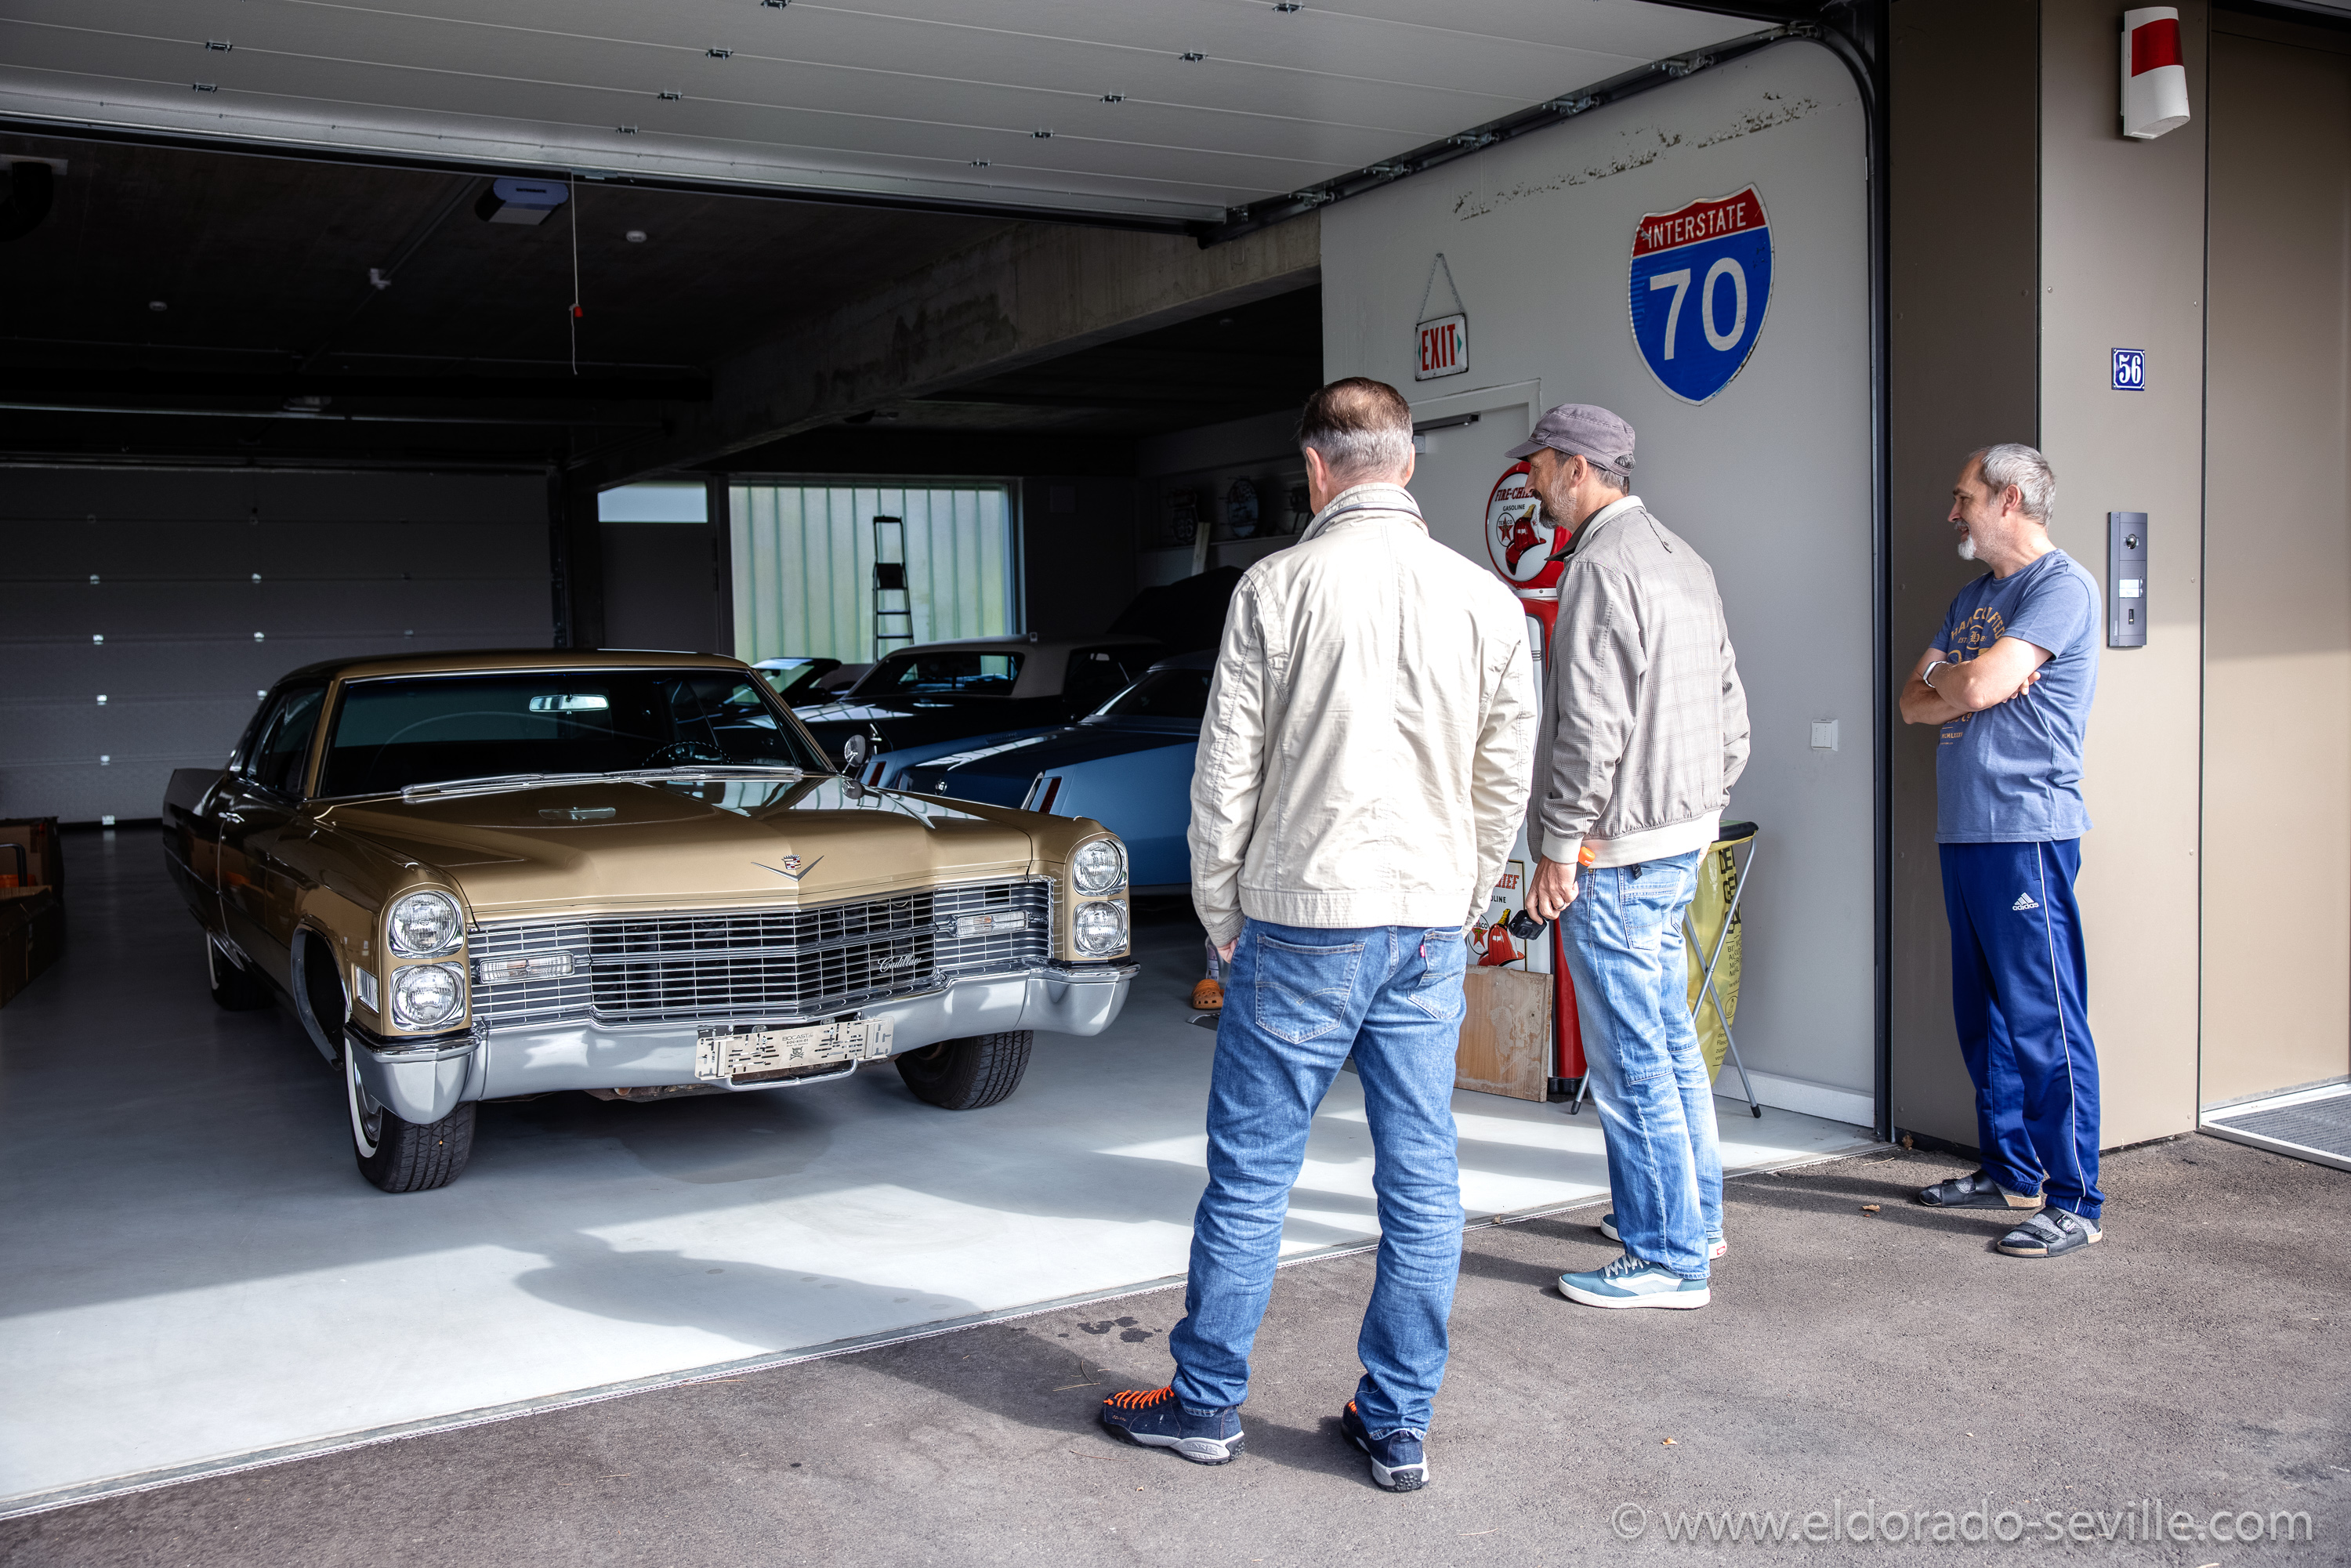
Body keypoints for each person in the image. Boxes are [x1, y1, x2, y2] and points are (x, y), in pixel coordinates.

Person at [1097, 378, 1538, 1492]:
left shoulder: (1276, 587)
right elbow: (1504, 776)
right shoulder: (1485, 599)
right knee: (1422, 1176)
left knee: (1253, 1175)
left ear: (1313, 469)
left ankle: (1205, 1405)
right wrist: (1465, 896)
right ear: (1408, 462)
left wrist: (1220, 916)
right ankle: (1397, 1424)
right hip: (1427, 924)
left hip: (1302, 919)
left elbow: (1225, 774)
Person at [1519, 404, 1748, 1311]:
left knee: (1628, 1059)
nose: (1530, 480)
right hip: (1678, 840)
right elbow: (1732, 713)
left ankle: (1666, 1258)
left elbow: (1589, 728)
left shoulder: (1599, 568)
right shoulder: (1682, 559)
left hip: (1615, 854)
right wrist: (1700, 807)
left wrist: (1558, 847)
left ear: (1577, 469)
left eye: (1538, 464)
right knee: (1667, 1038)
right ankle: (1695, 1219)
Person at [1899, 444, 2105, 1258]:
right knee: (1982, 1019)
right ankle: (2010, 1169)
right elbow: (1914, 701)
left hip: (2027, 831)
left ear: (2009, 499)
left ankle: (2075, 1200)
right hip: (1966, 828)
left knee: (2043, 1017)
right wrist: (1969, 677)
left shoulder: (2061, 588)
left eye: (1964, 497)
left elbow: (1973, 687)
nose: (1953, 512)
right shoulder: (1973, 597)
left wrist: (1964, 678)